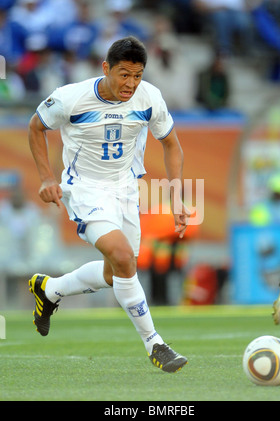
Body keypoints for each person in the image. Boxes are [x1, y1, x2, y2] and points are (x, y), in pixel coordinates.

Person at [28, 36, 190, 373]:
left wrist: (177, 194)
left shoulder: (149, 98)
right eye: (124, 75)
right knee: (122, 257)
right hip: (86, 190)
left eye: (137, 75)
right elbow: (36, 127)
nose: (131, 84)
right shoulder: (70, 98)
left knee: (114, 273)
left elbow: (172, 144)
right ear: (106, 68)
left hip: (126, 190)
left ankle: (50, 289)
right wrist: (46, 178)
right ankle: (155, 343)